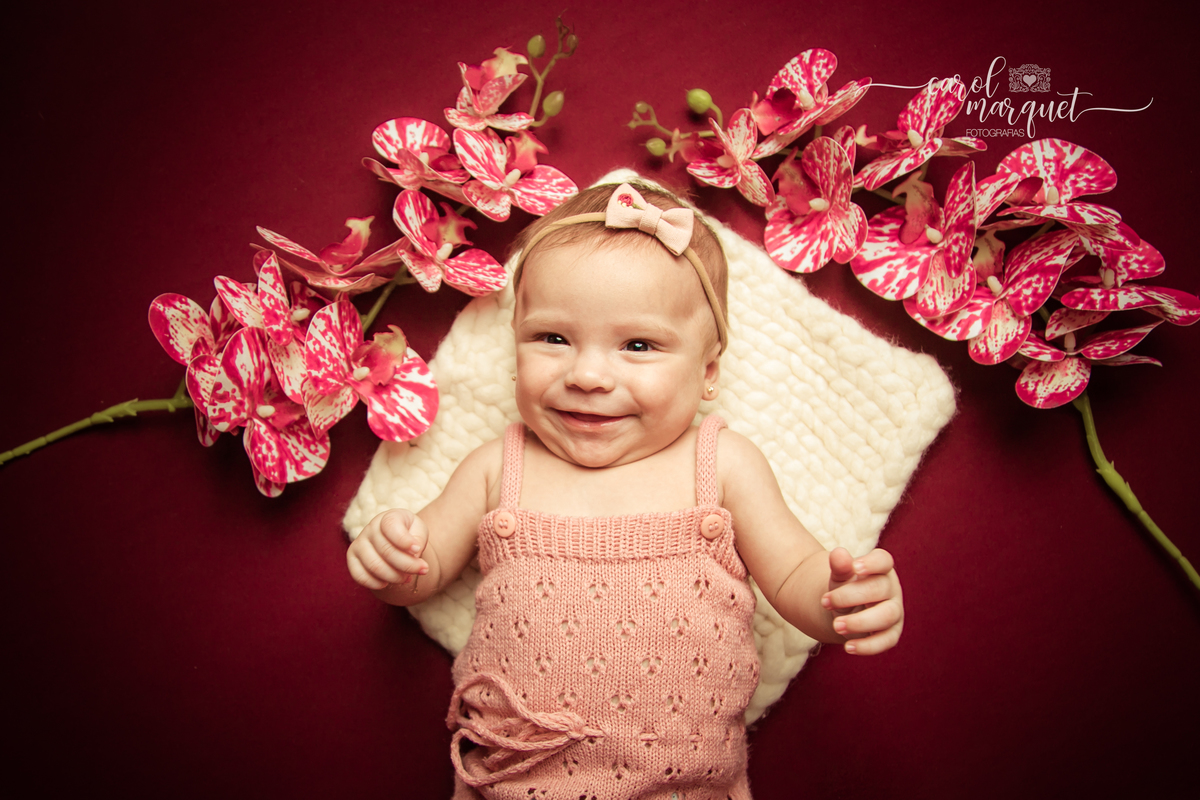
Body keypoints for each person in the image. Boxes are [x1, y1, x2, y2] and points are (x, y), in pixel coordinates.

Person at [347, 181, 904, 799]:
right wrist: (392, 559)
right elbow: (417, 577)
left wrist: (840, 599)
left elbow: (797, 572)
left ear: (708, 370)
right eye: (552, 339)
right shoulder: (496, 468)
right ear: (514, 349)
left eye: (638, 346)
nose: (587, 375)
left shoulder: (719, 467)